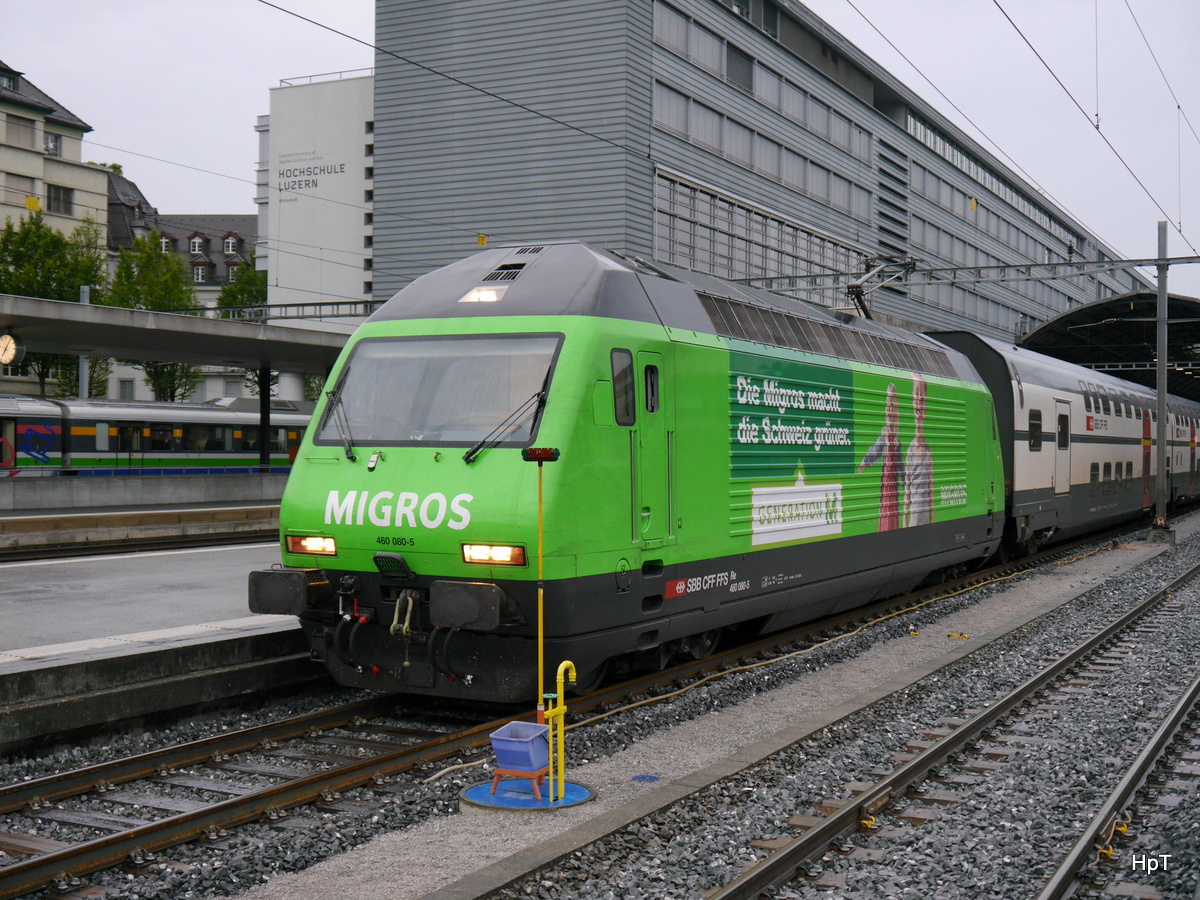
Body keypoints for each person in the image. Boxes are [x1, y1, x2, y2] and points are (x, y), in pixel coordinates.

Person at [858, 383, 901, 531]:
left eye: (892, 405)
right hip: (887, 480)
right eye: (887, 405)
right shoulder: (885, 433)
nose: (889, 409)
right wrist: (865, 461)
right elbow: (876, 450)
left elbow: (901, 464)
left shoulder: (897, 437)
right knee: (887, 507)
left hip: (893, 482)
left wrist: (906, 480)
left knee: (893, 508)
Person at [903, 374, 933, 527]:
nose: (920, 400)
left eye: (923, 397)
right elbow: (907, 490)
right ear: (912, 400)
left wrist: (932, 521)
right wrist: (904, 521)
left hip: (924, 515)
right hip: (914, 516)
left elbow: (931, 489)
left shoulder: (928, 451)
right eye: (916, 395)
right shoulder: (910, 451)